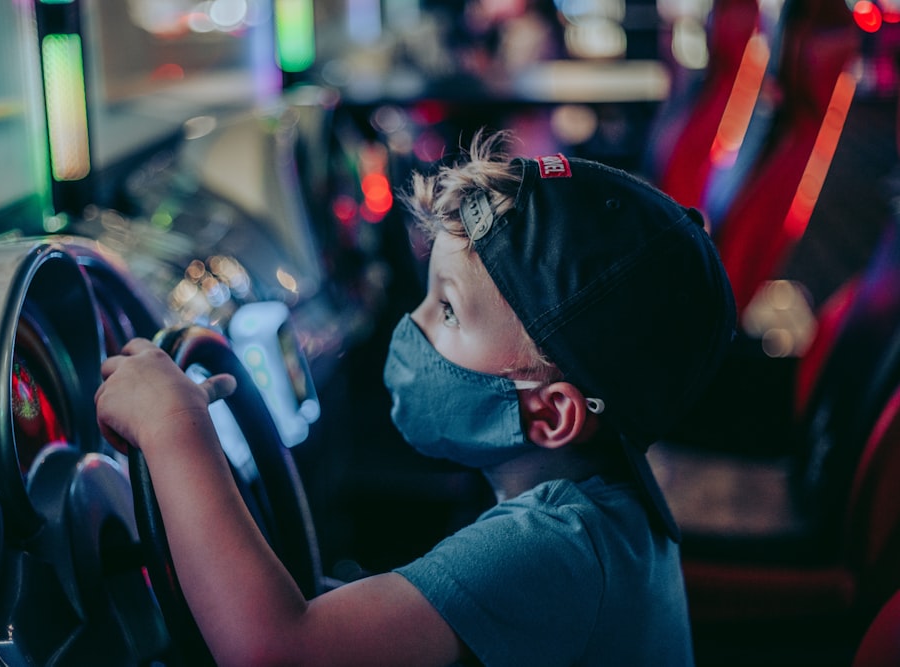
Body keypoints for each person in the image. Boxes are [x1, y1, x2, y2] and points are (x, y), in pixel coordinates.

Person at [95, 130, 736, 666]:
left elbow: (276, 652)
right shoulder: (608, 512)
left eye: (448, 311)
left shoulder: (554, 546)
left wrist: (174, 428)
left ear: (551, 411)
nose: (415, 324)